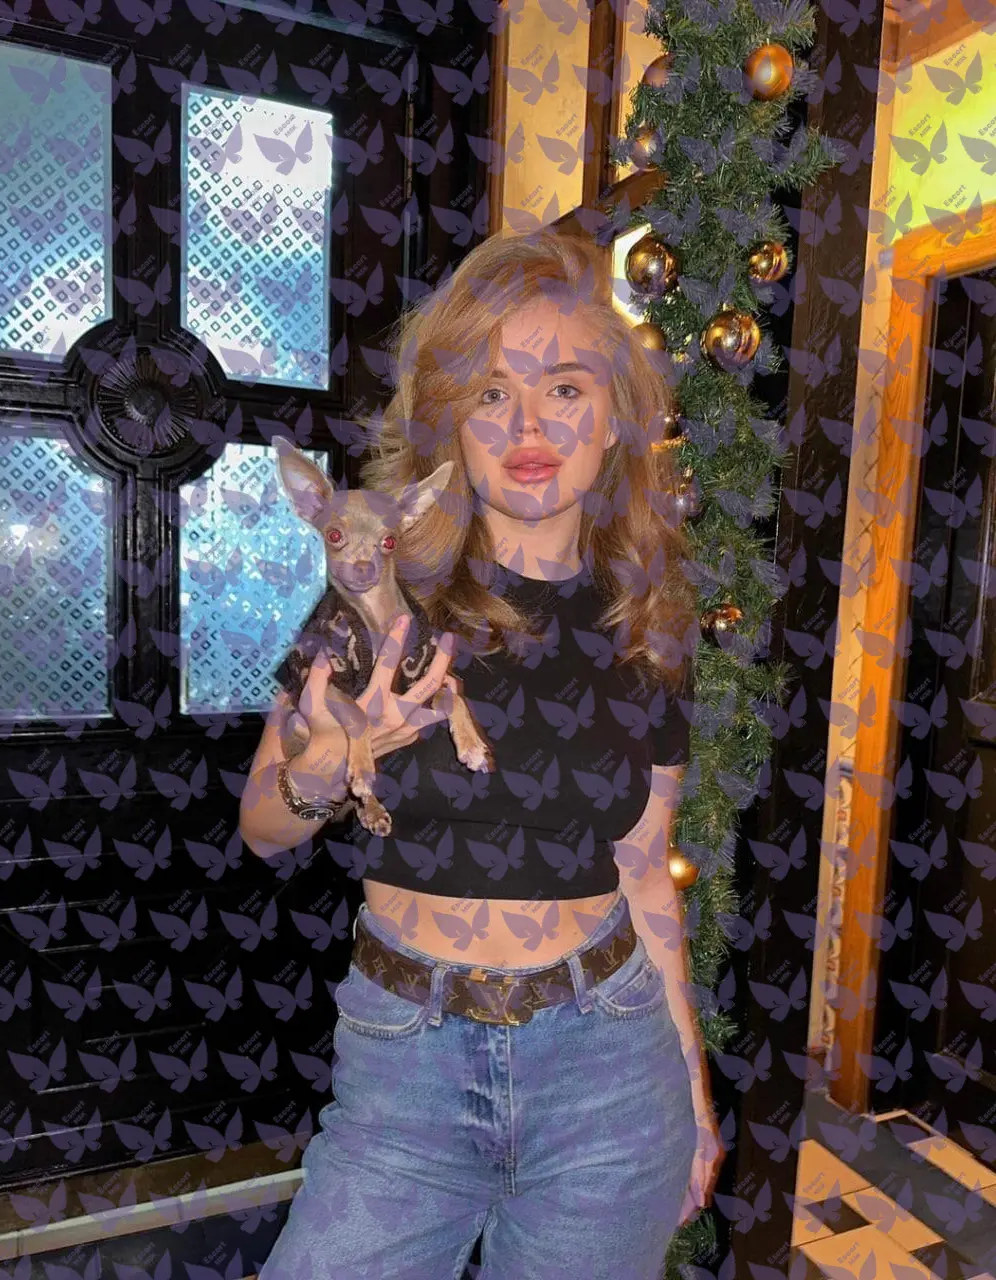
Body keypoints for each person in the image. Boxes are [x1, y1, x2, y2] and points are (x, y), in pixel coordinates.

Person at [240, 227, 725, 1280]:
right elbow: (262, 827)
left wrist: (692, 1086)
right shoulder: (376, 598)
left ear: (614, 418)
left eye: (565, 388)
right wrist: (315, 775)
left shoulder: (648, 622)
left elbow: (645, 865)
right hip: (405, 1067)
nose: (528, 424)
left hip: (609, 1063)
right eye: (493, 392)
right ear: (452, 420)